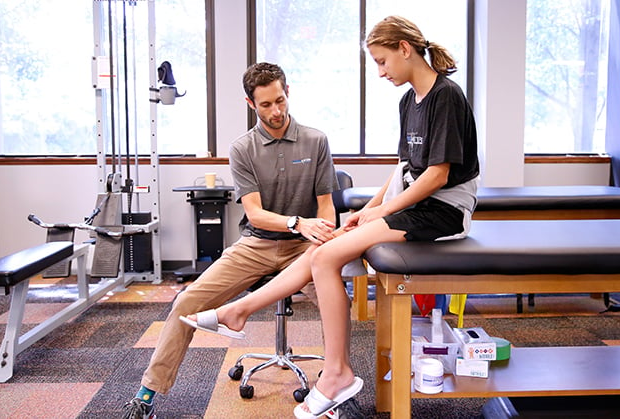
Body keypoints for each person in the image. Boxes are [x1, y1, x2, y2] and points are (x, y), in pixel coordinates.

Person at [181, 15, 481, 418]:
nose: (380, 72)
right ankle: (241, 313)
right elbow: (403, 168)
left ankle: (331, 368)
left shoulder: (446, 95)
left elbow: (436, 176)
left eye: (382, 61)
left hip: (443, 211)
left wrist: (384, 211)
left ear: (404, 49)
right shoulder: (410, 100)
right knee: (327, 246)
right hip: (416, 207)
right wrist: (369, 209)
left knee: (325, 255)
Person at [121, 62, 339, 419]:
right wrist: (298, 223)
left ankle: (335, 385)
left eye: (280, 100)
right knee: (187, 301)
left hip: (305, 247)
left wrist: (323, 237)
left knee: (337, 304)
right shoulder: (243, 148)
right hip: (258, 244)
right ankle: (147, 394)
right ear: (251, 104)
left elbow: (327, 206)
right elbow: (254, 213)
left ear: (288, 92)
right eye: (266, 104)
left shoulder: (316, 140)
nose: (276, 111)